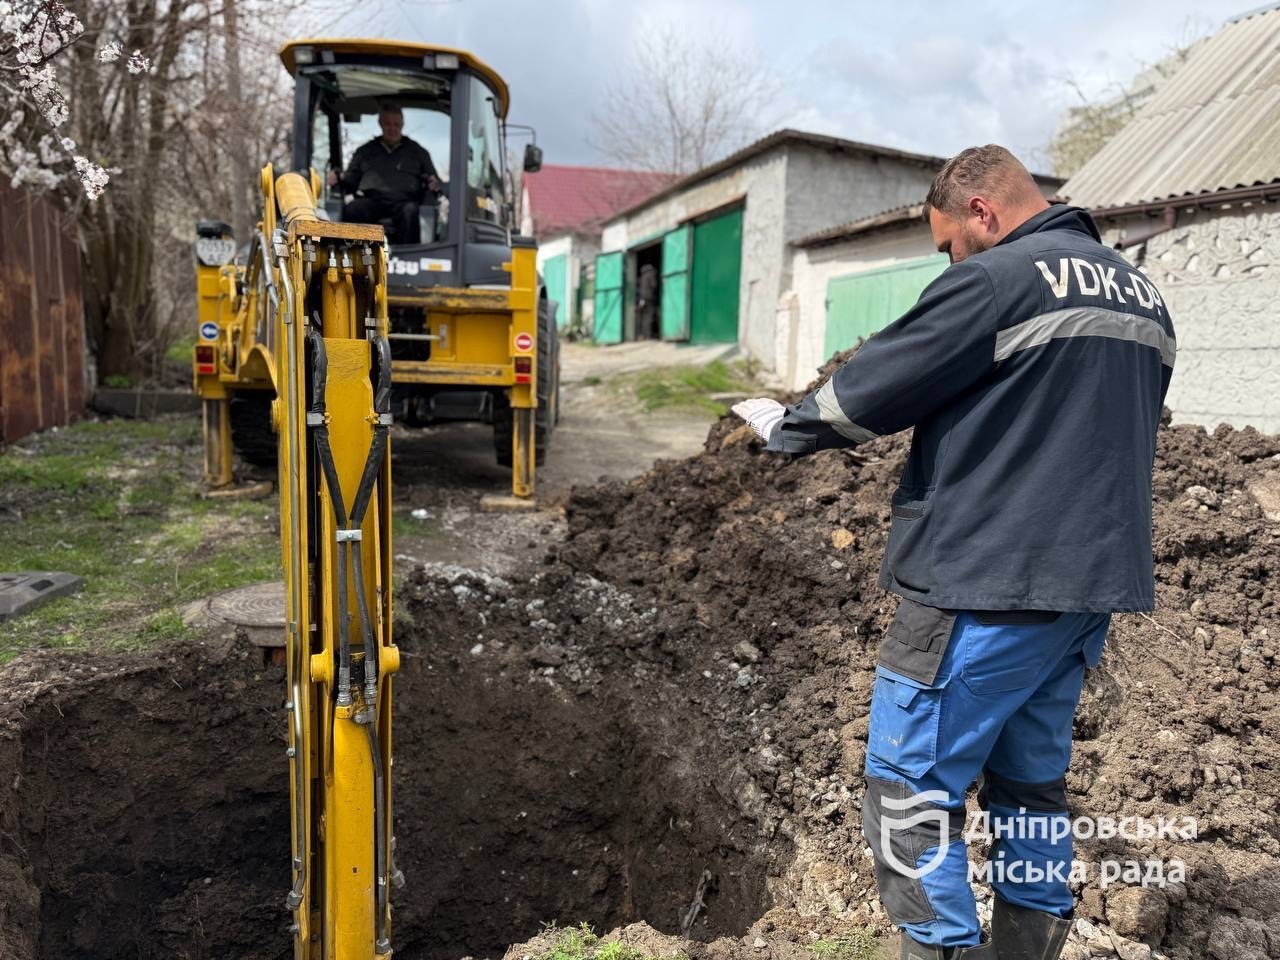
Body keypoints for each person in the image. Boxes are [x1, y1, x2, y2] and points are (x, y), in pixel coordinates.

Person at [733, 145, 1175, 960]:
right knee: (1029, 787)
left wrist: (785, 427)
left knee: (907, 794)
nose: (949, 259)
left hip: (981, 585)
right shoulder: (1145, 299)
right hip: (1085, 595)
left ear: (981, 210)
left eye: (947, 244)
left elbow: (869, 391)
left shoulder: (997, 280)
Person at [328, 104, 442, 244]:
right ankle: (354, 255)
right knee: (353, 209)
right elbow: (350, 182)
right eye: (388, 124)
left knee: (411, 212)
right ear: (380, 124)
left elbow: (435, 181)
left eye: (396, 124)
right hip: (373, 201)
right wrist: (338, 179)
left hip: (405, 202)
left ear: (402, 125)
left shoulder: (418, 152)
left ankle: (407, 257)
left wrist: (435, 184)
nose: (392, 129)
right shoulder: (365, 152)